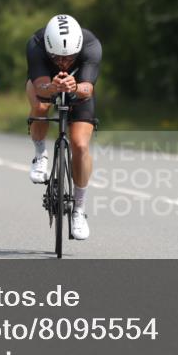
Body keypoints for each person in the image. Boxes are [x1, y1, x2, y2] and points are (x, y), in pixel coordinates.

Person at [26, 14, 101, 241]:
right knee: (39, 106)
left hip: (78, 89)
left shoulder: (91, 45)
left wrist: (76, 86)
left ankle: (79, 209)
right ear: (48, 48)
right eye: (57, 57)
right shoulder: (36, 44)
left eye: (69, 58)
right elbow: (39, 86)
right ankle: (40, 155)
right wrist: (52, 86)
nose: (63, 63)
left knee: (79, 145)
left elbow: (89, 89)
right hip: (46, 85)